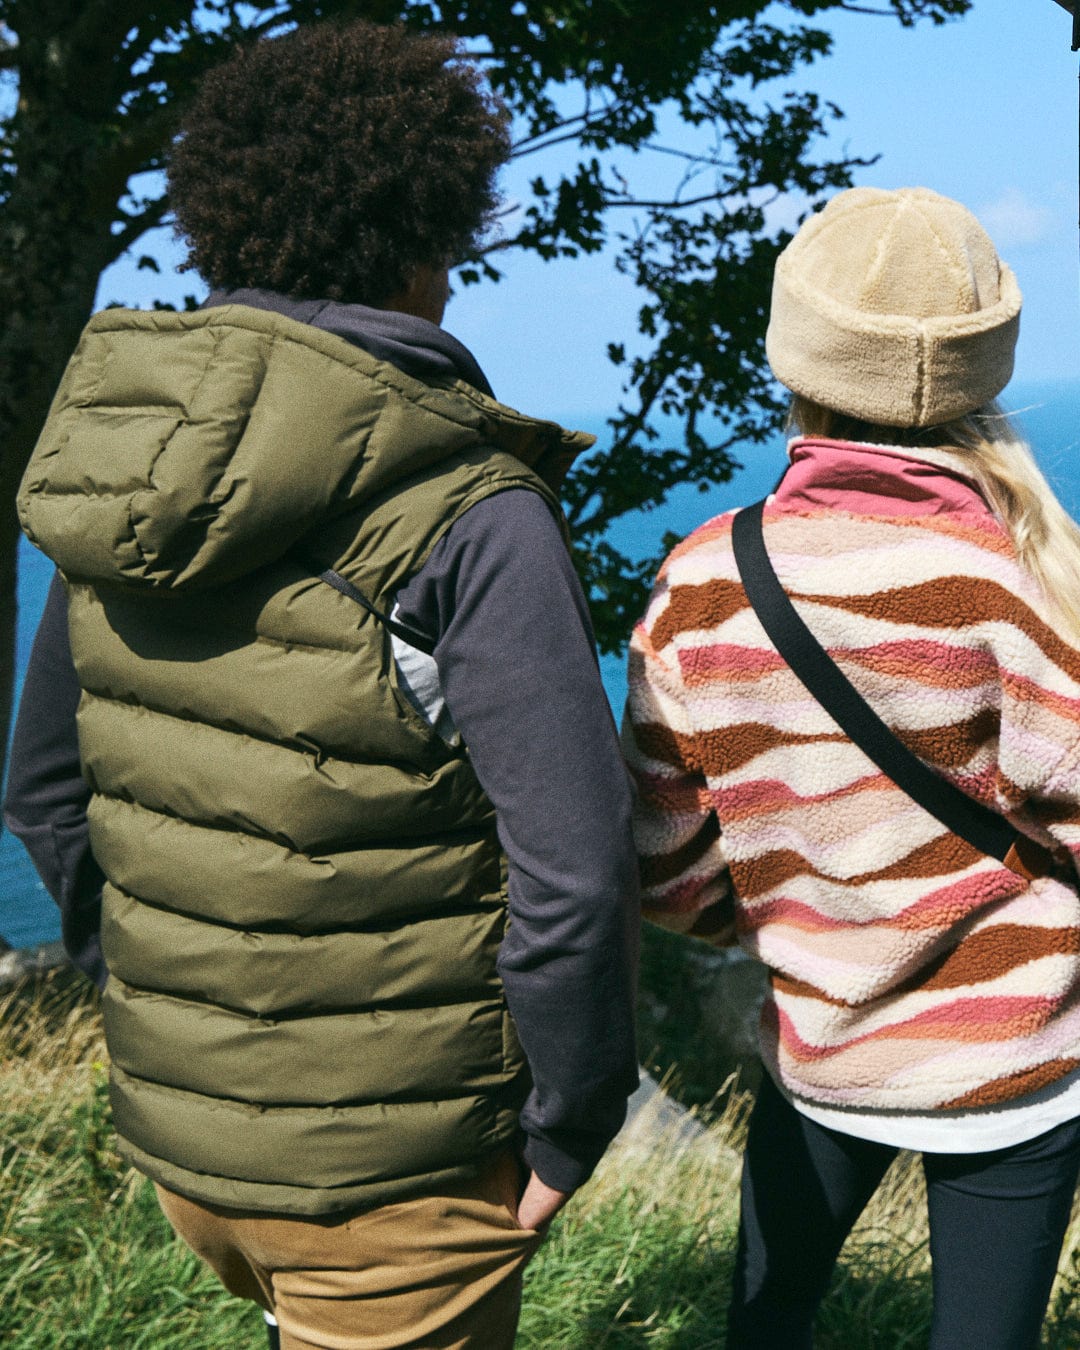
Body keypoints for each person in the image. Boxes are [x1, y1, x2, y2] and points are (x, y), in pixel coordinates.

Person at [5, 20, 640, 1350]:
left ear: (220, 218)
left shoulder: (123, 475)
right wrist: (571, 1125)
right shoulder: (470, 506)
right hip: (396, 1187)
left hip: (187, 1154)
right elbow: (574, 877)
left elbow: (46, 789)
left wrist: (152, 1011)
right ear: (436, 230)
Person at [623, 186, 1080, 1349]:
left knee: (766, 1320)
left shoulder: (702, 581)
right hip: (1017, 1059)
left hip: (819, 1045)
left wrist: (809, 924)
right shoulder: (1026, 576)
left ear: (797, 355)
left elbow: (666, 870)